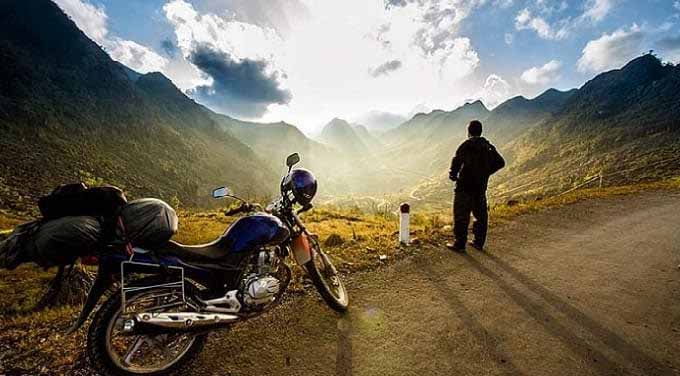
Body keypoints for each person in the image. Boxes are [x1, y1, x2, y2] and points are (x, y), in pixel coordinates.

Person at [446, 120, 505, 252]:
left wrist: (453, 175)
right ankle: (478, 242)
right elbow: (501, 162)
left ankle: (460, 244)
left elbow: (456, 161)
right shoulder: (488, 146)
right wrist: (486, 172)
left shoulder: (466, 145)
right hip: (480, 187)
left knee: (461, 215)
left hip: (464, 187)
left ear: (469, 131)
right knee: (481, 215)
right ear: (480, 131)